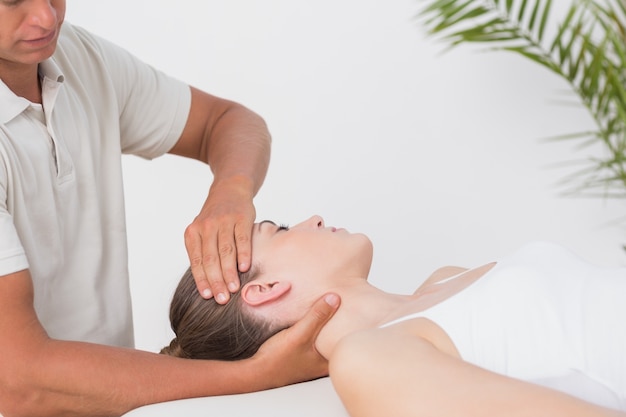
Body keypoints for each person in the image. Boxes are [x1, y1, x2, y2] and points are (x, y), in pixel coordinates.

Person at [0, 2, 340, 417]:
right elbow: (18, 382)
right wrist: (257, 375)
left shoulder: (79, 58)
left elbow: (227, 121)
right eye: (11, 1)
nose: (46, 17)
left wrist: (231, 189)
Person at [162, 215, 626, 416]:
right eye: (279, 229)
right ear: (263, 291)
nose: (314, 218)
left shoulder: (443, 281)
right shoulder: (371, 359)